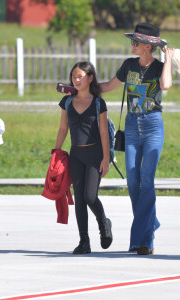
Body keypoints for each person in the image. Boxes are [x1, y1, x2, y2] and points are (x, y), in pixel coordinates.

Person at [100, 23, 174, 255]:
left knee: (147, 180)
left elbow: (166, 85)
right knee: (133, 181)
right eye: (132, 41)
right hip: (131, 126)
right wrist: (82, 87)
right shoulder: (128, 65)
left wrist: (168, 59)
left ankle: (145, 239)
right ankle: (149, 224)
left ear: (148, 46)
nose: (131, 45)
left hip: (153, 125)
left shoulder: (160, 67)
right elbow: (109, 86)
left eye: (135, 42)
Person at [54, 61, 113, 254]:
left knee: (90, 196)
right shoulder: (67, 101)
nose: (76, 80)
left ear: (90, 78)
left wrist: (106, 159)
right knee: (79, 199)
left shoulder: (98, 103)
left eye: (80, 76)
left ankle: (103, 223)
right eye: (73, 77)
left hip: (95, 155)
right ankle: (84, 241)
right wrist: (56, 151)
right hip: (76, 155)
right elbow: (63, 128)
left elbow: (104, 133)